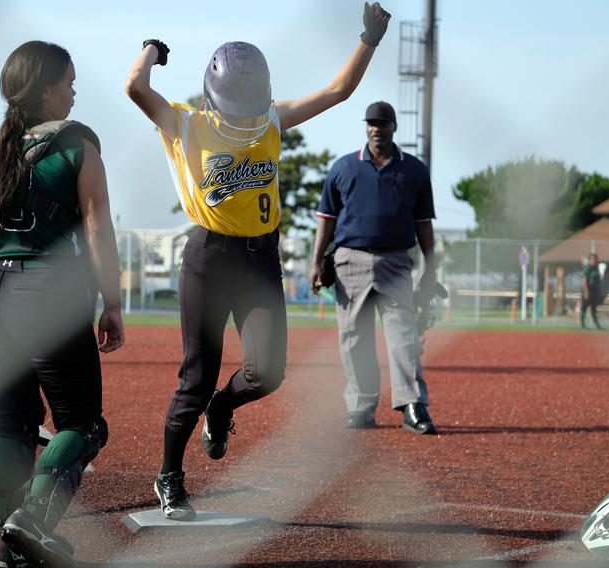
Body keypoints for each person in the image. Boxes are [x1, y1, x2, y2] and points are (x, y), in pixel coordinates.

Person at [125, 3, 391, 520]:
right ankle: (170, 476)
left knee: (267, 372)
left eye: (251, 105)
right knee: (194, 379)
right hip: (208, 259)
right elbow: (135, 88)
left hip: (260, 261)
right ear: (212, 96)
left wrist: (369, 39)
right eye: (236, 106)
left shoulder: (270, 118)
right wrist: (152, 50)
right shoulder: (185, 124)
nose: (245, 116)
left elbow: (338, 91)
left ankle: (222, 408)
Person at [0, 41, 124, 568]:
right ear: (45, 88)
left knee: (13, 423)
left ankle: (12, 549)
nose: (74, 91)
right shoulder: (77, 148)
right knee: (83, 423)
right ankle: (30, 523)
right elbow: (100, 235)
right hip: (46, 293)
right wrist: (113, 304)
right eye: (68, 82)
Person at [309, 101, 437, 435]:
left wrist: (431, 268)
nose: (376, 129)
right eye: (371, 123)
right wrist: (316, 260)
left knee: (404, 336)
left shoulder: (413, 170)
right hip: (350, 260)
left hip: (396, 262)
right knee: (354, 338)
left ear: (394, 128)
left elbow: (424, 225)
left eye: (383, 124)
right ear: (366, 127)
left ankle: (412, 404)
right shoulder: (344, 168)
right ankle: (362, 406)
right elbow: (326, 220)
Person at [581, 252, 605, 330]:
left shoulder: (596, 268)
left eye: (595, 259)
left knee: (593, 308)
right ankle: (583, 325)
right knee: (584, 307)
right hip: (588, 290)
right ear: (589, 260)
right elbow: (584, 280)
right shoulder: (588, 268)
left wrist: (600, 291)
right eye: (592, 259)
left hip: (595, 291)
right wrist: (586, 292)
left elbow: (598, 281)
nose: (594, 261)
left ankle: (597, 325)